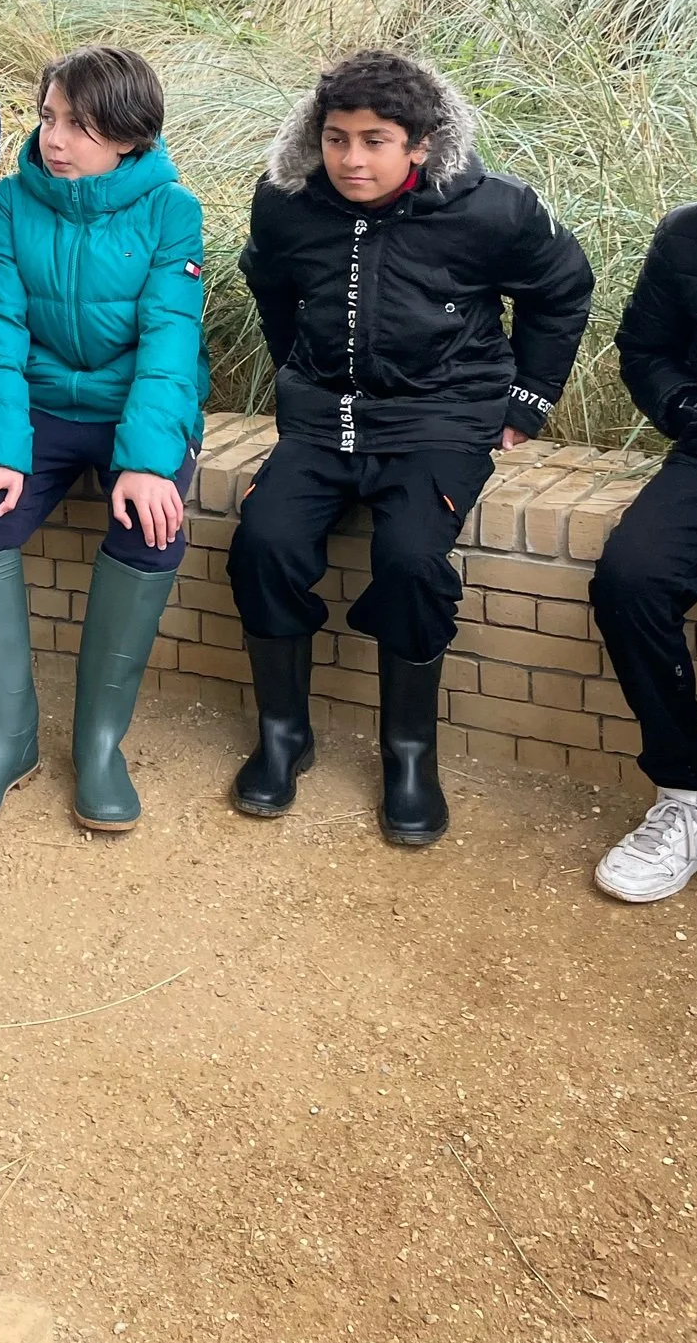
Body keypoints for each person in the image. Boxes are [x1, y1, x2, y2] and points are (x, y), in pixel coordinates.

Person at [227, 49, 593, 845]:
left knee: (409, 560)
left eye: (374, 141)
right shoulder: (285, 202)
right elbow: (269, 283)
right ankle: (284, 735)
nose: (350, 159)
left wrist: (527, 399)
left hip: (440, 419)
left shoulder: (493, 209)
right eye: (335, 138)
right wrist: (296, 367)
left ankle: (408, 755)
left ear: (418, 144)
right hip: (323, 421)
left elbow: (562, 287)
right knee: (263, 543)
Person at [0, 45, 207, 835]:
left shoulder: (171, 209)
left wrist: (147, 463)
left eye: (79, 126)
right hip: (42, 406)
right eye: (48, 117)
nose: (54, 139)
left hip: (133, 408)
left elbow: (168, 343)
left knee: (150, 530)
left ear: (127, 134)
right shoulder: (12, 202)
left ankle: (97, 745)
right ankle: (6, 739)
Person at [586, 134, 697, 901]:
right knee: (629, 580)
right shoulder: (688, 233)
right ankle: (689, 793)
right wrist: (692, 411)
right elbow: (642, 348)